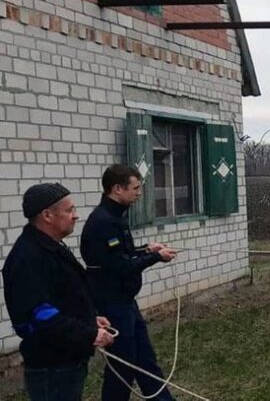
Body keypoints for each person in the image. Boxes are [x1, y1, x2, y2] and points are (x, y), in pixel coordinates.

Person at [2, 183, 115, 400]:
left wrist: (89, 319)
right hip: (52, 366)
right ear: (47, 215)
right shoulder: (29, 257)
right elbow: (41, 316)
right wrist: (89, 334)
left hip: (68, 359)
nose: (76, 216)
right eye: (69, 210)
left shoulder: (52, 246)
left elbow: (63, 298)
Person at [81, 165, 177, 401]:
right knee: (124, 365)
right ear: (117, 189)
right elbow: (120, 266)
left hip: (125, 301)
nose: (139, 193)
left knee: (145, 358)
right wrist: (155, 257)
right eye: (135, 188)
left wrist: (145, 249)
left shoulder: (115, 217)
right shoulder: (103, 222)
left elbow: (121, 254)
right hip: (112, 303)